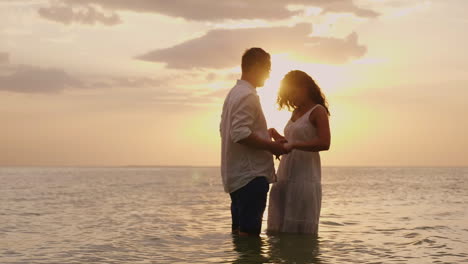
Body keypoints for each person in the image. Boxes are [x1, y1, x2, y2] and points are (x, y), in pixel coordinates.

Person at [220, 47, 288, 236]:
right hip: (251, 177)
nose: (269, 74)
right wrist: (272, 146)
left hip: (236, 177)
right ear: (257, 66)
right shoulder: (248, 95)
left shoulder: (233, 94)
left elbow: (228, 131)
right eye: (268, 68)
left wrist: (266, 134)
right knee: (250, 240)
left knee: (240, 239)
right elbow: (240, 134)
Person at [267, 70, 331, 236]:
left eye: (293, 93)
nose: (292, 99)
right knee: (277, 232)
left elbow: (325, 143)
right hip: (284, 176)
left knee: (299, 234)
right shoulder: (295, 112)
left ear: (305, 87)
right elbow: (291, 143)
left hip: (305, 178)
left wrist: (294, 144)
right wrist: (278, 137)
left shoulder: (318, 111)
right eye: (288, 95)